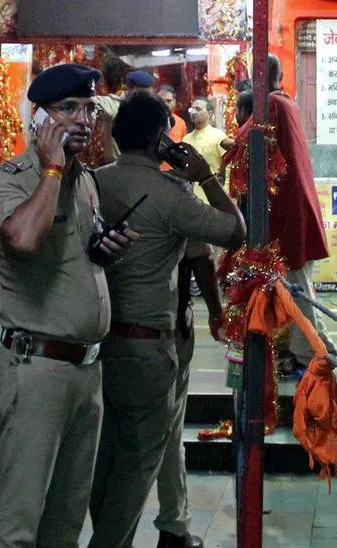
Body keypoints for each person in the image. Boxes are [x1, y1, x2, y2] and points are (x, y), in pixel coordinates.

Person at [0, 63, 137, 548]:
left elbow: (72, 251)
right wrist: (50, 169)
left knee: (65, 523)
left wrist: (103, 248)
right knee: (18, 526)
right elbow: (25, 237)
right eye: (67, 109)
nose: (82, 119)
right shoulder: (8, 180)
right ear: (38, 119)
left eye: (88, 108)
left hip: (86, 372)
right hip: (36, 369)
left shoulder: (84, 180)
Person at [88, 91, 245, 548]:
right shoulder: (170, 194)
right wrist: (206, 176)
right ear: (161, 139)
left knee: (107, 457)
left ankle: (115, 536)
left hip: (97, 342)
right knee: (140, 460)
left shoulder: (94, 183)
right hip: (146, 345)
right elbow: (235, 231)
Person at [225, 58, 336, 371]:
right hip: (293, 209)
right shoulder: (289, 104)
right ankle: (320, 345)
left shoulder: (271, 105)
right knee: (298, 288)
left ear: (260, 76)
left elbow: (241, 140)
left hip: (287, 215)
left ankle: (313, 353)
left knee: (296, 290)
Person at [154, 241, 223, 548]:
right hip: (164, 331)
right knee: (167, 432)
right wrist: (216, 312)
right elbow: (206, 249)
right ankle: (173, 524)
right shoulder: (171, 193)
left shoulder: (97, 192)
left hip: (109, 333)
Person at [183, 97, 228, 181]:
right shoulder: (186, 139)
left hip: (212, 190)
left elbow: (227, 165)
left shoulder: (219, 136)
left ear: (210, 113)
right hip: (189, 190)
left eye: (198, 109)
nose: (193, 112)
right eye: (192, 109)